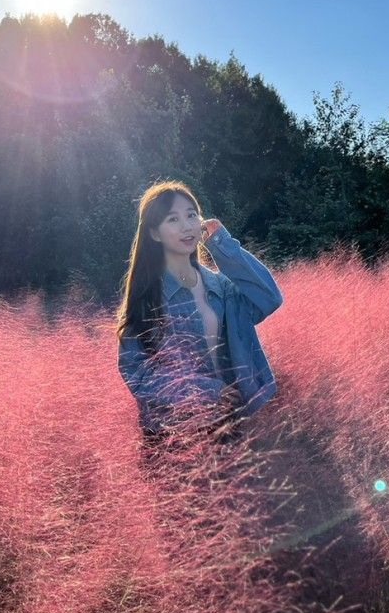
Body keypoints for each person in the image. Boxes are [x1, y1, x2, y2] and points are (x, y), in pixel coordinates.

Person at [116, 180, 283, 450]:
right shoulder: (147, 299)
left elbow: (269, 298)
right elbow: (138, 375)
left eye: (192, 215)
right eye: (173, 219)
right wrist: (211, 391)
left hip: (228, 423)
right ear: (154, 234)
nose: (186, 226)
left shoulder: (222, 288)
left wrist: (221, 244)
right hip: (172, 434)